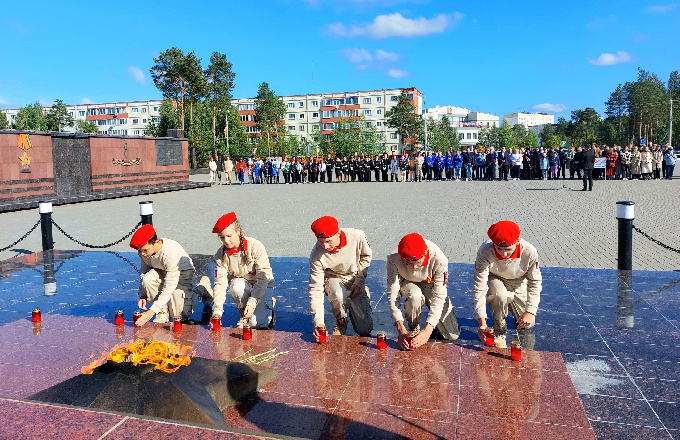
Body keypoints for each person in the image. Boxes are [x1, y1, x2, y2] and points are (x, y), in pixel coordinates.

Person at [198, 212, 276, 329]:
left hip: (262, 286)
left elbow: (263, 279)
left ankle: (268, 306)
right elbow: (220, 283)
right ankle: (244, 315)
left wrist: (252, 302)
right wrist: (217, 313)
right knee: (236, 286)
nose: (226, 241)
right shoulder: (220, 255)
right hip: (243, 286)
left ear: (238, 231)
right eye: (222, 237)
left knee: (258, 325)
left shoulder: (255, 246)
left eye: (229, 236)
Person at [472, 220, 542, 348]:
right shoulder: (485, 251)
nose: (504, 254)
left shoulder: (529, 251)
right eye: (498, 248)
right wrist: (481, 321)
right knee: (500, 295)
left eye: (508, 249)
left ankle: (511, 303)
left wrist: (530, 311)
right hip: (495, 279)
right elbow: (479, 288)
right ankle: (499, 326)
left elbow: (535, 282)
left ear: (517, 241)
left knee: (527, 324)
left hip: (518, 281)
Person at [386, 233, 461, 349]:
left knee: (452, 335)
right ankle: (413, 326)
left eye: (418, 262)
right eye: (409, 263)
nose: (414, 267)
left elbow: (439, 296)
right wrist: (400, 328)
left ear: (425, 252)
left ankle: (435, 326)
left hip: (430, 284)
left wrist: (428, 329)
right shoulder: (393, 258)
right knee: (414, 296)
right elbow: (392, 293)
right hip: (408, 281)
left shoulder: (439, 259)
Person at [308, 216, 373, 339]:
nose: (325, 247)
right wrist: (318, 323)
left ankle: (364, 293)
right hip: (333, 278)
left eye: (328, 241)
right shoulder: (316, 255)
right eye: (321, 242)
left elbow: (366, 257)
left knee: (364, 330)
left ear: (338, 233)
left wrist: (359, 282)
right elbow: (315, 289)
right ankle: (341, 319)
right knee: (338, 294)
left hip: (354, 277)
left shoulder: (357, 236)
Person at [129, 224, 197, 327]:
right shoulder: (144, 252)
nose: (142, 254)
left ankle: (201, 290)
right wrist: (142, 294)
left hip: (183, 275)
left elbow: (170, 285)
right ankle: (162, 312)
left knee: (178, 315)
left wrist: (151, 312)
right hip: (162, 272)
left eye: (145, 250)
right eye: (139, 251)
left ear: (156, 242)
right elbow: (144, 272)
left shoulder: (170, 252)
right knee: (147, 279)